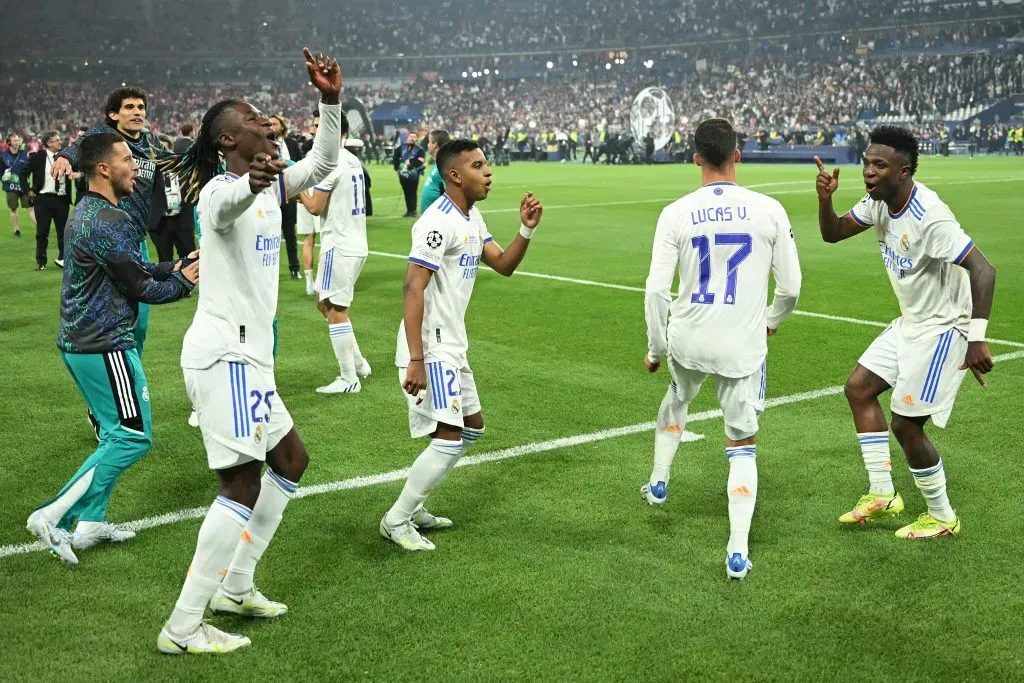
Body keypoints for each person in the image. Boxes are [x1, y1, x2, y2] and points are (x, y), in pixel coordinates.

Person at [155, 48, 341, 655]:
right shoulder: (218, 192)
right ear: (230, 138)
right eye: (255, 116)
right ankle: (182, 627)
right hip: (225, 358)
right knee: (238, 487)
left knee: (290, 462)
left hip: (250, 362)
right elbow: (226, 203)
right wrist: (248, 180)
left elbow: (322, 164)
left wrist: (331, 102)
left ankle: (235, 586)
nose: (267, 119)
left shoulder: (270, 184)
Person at [814, 125, 997, 540]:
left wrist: (976, 338)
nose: (869, 172)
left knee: (906, 425)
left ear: (905, 170)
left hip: (943, 328)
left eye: (880, 165)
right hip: (912, 322)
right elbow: (833, 233)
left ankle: (943, 516)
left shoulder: (930, 216)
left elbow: (984, 269)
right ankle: (882, 494)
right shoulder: (879, 201)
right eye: (866, 163)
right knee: (858, 388)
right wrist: (825, 199)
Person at [25, 132, 198, 566]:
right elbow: (142, 287)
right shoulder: (109, 220)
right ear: (104, 168)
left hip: (84, 341)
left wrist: (177, 264)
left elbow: (134, 266)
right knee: (133, 436)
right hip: (103, 345)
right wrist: (187, 282)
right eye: (126, 160)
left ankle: (90, 523)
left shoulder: (92, 212)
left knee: (113, 434)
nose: (135, 167)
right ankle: (52, 514)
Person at [642, 118, 802, 580]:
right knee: (741, 445)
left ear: (695, 158)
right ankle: (736, 551)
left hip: (687, 339)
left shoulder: (675, 212)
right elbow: (790, 288)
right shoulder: (769, 209)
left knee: (678, 397)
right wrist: (770, 323)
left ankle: (658, 480)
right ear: (739, 155)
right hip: (741, 345)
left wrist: (655, 350)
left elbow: (656, 291)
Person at [380, 139, 544, 551]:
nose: (488, 172)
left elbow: (503, 265)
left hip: (452, 343)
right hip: (431, 344)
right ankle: (396, 520)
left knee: (472, 429)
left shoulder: (471, 217)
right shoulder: (438, 222)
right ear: (454, 175)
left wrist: (526, 229)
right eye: (478, 165)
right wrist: (416, 359)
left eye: (486, 164)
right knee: (450, 435)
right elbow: (412, 286)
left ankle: (415, 505)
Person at [53, 86, 171, 360]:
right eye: (129, 107)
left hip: (134, 240)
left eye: (141, 107)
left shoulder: (152, 144)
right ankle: (104, 383)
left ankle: (128, 374)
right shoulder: (105, 138)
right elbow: (77, 147)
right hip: (99, 237)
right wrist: (63, 157)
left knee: (138, 322)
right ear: (113, 114)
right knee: (101, 315)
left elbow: (176, 166)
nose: (137, 112)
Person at [296, 114, 371, 393]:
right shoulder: (352, 159)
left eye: (316, 126)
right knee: (325, 304)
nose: (312, 130)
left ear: (330, 130)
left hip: (338, 244)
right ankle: (359, 363)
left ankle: (348, 378)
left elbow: (315, 207)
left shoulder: (331, 160)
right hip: (355, 242)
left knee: (336, 310)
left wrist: (299, 192)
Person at [23, 131, 74, 269]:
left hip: (62, 200)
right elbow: (23, 173)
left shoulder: (66, 156)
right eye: (56, 140)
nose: (60, 142)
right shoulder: (38, 157)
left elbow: (77, 170)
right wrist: (28, 190)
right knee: (42, 232)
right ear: (49, 143)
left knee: (63, 232)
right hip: (43, 199)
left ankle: (63, 259)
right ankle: (41, 262)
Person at [270, 114, 303, 279]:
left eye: (274, 124)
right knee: (269, 233)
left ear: (282, 126)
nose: (271, 127)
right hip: (270, 195)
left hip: (289, 195)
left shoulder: (292, 144)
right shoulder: (263, 144)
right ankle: (270, 269)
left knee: (290, 232)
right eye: (269, 124)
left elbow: (301, 166)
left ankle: (294, 267)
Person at [1, 133, 33, 237]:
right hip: (11, 187)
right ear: (9, 143)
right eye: (14, 141)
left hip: (24, 186)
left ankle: (41, 228)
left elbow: (30, 168)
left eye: (18, 140)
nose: (17, 142)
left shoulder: (25, 154)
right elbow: (0, 173)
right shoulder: (3, 156)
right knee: (13, 209)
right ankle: (16, 230)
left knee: (31, 207)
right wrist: (3, 176)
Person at [418, 129, 450, 215]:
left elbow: (454, 196)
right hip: (430, 221)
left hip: (437, 222)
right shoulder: (439, 162)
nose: (427, 145)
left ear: (435, 144)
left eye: (429, 142)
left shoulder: (445, 165)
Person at [393, 132, 424, 217]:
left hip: (414, 174)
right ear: (408, 137)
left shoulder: (420, 149)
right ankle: (408, 210)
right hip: (402, 174)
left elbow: (421, 161)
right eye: (411, 136)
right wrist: (396, 168)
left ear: (416, 139)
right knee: (406, 192)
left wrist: (410, 163)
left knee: (413, 192)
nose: (412, 138)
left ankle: (413, 210)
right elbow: (395, 157)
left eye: (414, 137)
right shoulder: (401, 147)